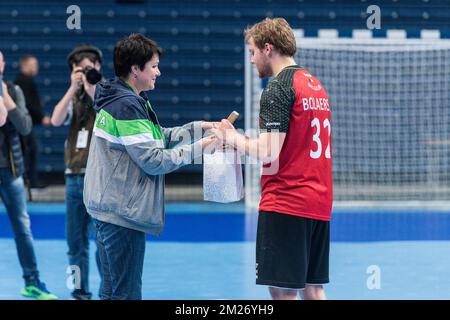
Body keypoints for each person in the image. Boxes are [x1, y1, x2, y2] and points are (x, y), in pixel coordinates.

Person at [83, 33, 217, 300]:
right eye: (153, 66)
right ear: (136, 69)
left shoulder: (121, 98)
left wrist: (199, 128)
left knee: (111, 291)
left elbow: (158, 137)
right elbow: (153, 160)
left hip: (107, 209)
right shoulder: (127, 105)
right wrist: (198, 150)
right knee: (126, 294)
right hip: (122, 215)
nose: (158, 72)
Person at [210, 18, 333, 300]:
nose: (252, 61)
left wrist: (230, 137)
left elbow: (268, 151)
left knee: (282, 289)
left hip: (287, 201)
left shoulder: (278, 88)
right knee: (313, 287)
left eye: (252, 52)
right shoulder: (315, 86)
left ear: (268, 48)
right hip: (319, 201)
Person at [0, 50, 57, 300]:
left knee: (23, 228)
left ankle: (32, 281)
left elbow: (24, 126)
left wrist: (3, 94)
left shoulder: (13, 90)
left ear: (3, 64)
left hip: (10, 171)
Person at [50, 44, 103, 300]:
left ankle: (110, 291)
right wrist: (73, 87)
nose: (83, 72)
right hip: (73, 176)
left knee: (104, 243)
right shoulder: (72, 96)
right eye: (78, 68)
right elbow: (55, 120)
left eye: (88, 68)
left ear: (98, 67)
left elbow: (106, 112)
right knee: (75, 244)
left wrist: (91, 86)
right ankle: (79, 292)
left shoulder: (107, 93)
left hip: (100, 179)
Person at [14, 55, 51, 188]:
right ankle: (30, 181)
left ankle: (28, 180)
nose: (37, 67)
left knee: (29, 150)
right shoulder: (24, 81)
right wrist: (42, 117)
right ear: (25, 65)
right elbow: (28, 104)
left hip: (25, 123)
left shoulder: (23, 81)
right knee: (30, 150)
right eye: (34, 64)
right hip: (24, 124)